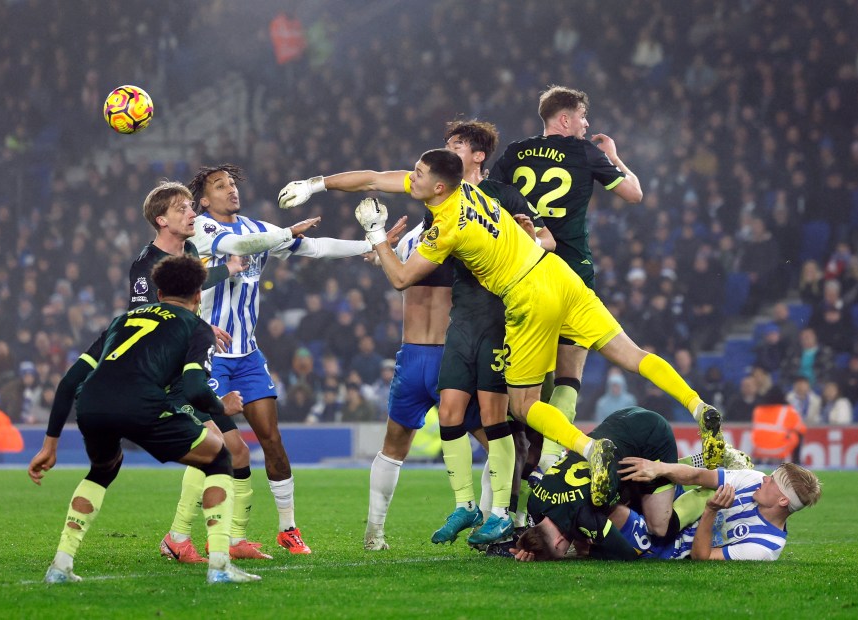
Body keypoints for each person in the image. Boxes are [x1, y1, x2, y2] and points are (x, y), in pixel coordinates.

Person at [352, 149, 724, 506]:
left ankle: (592, 450)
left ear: (439, 187)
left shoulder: (446, 225)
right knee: (633, 355)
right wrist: (320, 184)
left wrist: (376, 233)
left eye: (418, 173)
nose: (410, 177)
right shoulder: (468, 191)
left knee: (524, 405)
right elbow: (386, 180)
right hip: (558, 273)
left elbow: (401, 279)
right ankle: (698, 405)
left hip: (528, 295)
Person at [279, 120, 555, 547]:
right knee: (397, 443)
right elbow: (372, 179)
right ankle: (376, 534)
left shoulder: (495, 203)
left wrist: (529, 239)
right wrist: (316, 185)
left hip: (462, 347)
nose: (445, 151)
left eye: (457, 145)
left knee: (501, 437)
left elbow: (543, 242)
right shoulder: (429, 218)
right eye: (445, 146)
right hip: (415, 355)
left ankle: (501, 519)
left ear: (478, 156)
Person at [189, 163, 403, 554]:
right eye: (220, 186)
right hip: (208, 354)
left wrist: (371, 246)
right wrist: (285, 233)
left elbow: (316, 248)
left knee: (272, 440)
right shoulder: (201, 227)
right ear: (204, 199)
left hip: (249, 356)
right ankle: (194, 534)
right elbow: (236, 249)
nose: (230, 190)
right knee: (220, 447)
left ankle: (287, 528)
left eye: (233, 183)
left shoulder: (259, 229)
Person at [27, 255, 260, 584]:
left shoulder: (123, 319)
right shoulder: (197, 326)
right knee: (219, 456)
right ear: (197, 297)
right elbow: (194, 387)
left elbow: (68, 382)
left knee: (102, 470)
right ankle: (219, 566)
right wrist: (222, 407)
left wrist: (49, 445)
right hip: (140, 403)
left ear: (160, 294)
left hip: (91, 404)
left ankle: (61, 565)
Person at [129, 180, 314, 562]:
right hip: (168, 374)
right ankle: (179, 537)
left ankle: (227, 539)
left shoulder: (188, 253)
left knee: (235, 453)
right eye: (182, 209)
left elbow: (188, 295)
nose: (191, 214)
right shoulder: (145, 266)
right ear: (162, 219)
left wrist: (208, 314)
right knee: (217, 451)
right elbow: (146, 316)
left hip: (191, 367)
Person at [488, 85, 645, 477]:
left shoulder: (514, 153)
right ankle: (551, 458)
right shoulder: (586, 152)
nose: (586, 123)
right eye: (581, 116)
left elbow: (488, 199)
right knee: (569, 371)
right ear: (564, 119)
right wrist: (615, 157)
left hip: (521, 273)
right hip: (571, 270)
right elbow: (633, 193)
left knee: (526, 380)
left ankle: (520, 462)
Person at [507, 407, 687, 562]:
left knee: (659, 526)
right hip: (619, 420)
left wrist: (586, 551)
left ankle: (708, 486)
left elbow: (626, 554)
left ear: (558, 543)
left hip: (651, 437)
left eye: (563, 552)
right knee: (609, 498)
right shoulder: (535, 503)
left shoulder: (583, 516)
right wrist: (527, 544)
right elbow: (537, 531)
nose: (566, 551)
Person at [617, 457, 821, 560]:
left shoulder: (764, 547)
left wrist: (711, 511)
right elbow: (698, 476)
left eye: (773, 481)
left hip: (671, 547)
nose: (765, 478)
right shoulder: (754, 479)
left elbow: (701, 557)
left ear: (783, 501)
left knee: (614, 512)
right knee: (634, 471)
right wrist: (659, 468)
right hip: (679, 506)